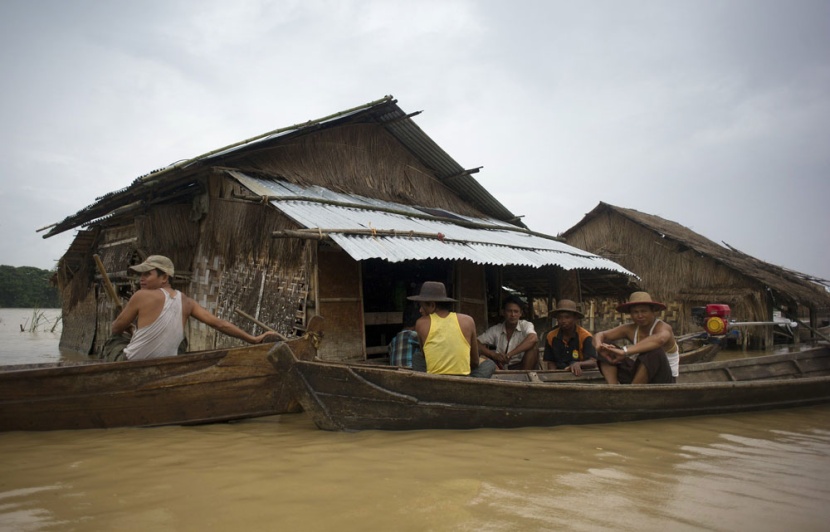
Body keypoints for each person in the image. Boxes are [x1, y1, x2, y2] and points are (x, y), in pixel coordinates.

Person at [106, 255, 279, 361]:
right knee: (181, 341)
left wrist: (128, 328)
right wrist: (254, 339)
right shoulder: (187, 301)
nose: (141, 279)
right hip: (167, 361)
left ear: (164, 277)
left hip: (133, 361)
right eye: (140, 275)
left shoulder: (141, 295)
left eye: (147, 274)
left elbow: (116, 328)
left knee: (112, 342)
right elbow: (220, 324)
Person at [407, 281, 495, 378]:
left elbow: (425, 357)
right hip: (464, 381)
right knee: (489, 363)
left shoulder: (421, 323)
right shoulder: (468, 320)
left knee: (417, 357)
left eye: (422, 306)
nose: (420, 310)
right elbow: (474, 362)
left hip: (434, 380)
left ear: (432, 305)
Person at [593, 291, 676, 384]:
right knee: (607, 347)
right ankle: (613, 388)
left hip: (663, 379)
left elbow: (660, 339)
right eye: (635, 312)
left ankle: (632, 392)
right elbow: (600, 335)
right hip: (641, 377)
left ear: (653, 312)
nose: (640, 316)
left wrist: (624, 352)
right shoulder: (630, 329)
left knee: (654, 351)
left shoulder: (663, 327)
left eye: (644, 311)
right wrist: (599, 346)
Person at [477, 295, 539, 370]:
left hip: (521, 367)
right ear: (503, 312)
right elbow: (476, 342)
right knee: (482, 358)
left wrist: (510, 354)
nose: (513, 315)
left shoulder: (526, 325)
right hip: (500, 367)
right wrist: (493, 354)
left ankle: (524, 378)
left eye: (516, 312)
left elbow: (533, 338)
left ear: (520, 313)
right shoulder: (496, 329)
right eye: (509, 311)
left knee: (533, 348)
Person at [542, 299, 597, 375]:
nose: (563, 320)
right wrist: (553, 376)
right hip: (559, 373)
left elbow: (593, 362)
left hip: (580, 374)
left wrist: (578, 364)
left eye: (567, 317)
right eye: (560, 318)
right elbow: (551, 362)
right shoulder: (551, 336)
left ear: (575, 319)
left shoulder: (585, 336)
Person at [387, 302, 426, 371]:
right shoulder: (414, 336)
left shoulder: (393, 341)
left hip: (396, 376)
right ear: (417, 323)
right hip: (412, 375)